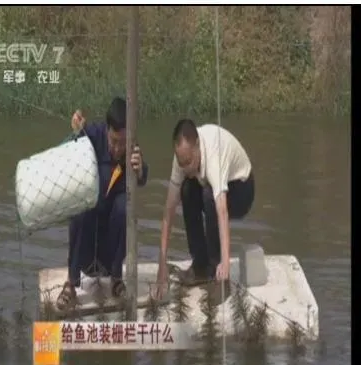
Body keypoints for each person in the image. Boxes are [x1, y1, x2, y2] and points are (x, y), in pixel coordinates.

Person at [56, 97, 148, 311]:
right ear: (106, 130)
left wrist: (140, 170)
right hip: (87, 239)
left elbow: (142, 178)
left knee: (125, 207)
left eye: (122, 142)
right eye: (114, 141)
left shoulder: (132, 152)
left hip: (111, 246)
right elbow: (67, 151)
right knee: (80, 205)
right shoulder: (92, 135)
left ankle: (116, 279)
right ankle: (71, 284)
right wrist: (76, 130)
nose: (117, 149)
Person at [155, 119, 255, 295]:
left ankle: (217, 270)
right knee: (186, 189)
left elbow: (222, 210)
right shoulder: (181, 159)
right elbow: (168, 211)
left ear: (198, 146)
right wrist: (161, 264)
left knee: (209, 195)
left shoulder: (213, 154)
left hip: (242, 189)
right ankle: (200, 265)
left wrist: (225, 262)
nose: (185, 167)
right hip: (212, 189)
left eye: (189, 161)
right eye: (181, 162)